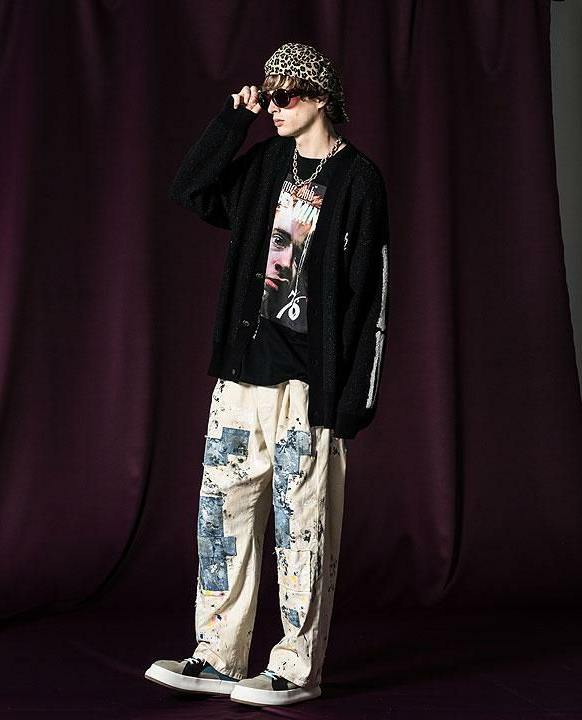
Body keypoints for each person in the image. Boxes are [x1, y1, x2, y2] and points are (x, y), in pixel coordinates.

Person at [144, 41, 390, 707]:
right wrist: (234, 121)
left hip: (307, 389)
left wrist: (352, 403)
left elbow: (371, 298)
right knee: (221, 522)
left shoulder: (359, 180)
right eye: (270, 94)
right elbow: (190, 189)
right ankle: (217, 656)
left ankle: (294, 669)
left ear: (320, 97)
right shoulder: (264, 166)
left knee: (301, 530)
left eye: (285, 95)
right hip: (240, 379)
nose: (274, 106)